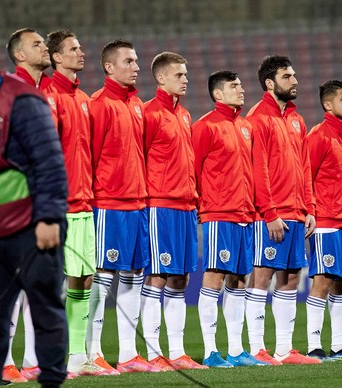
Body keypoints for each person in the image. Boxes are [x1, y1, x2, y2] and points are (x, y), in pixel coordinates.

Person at [87, 40, 158, 373]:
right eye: (129, 61)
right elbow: (89, 157)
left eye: (137, 60)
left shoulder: (137, 105)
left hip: (138, 204)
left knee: (133, 277)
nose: (137, 66)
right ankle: (92, 352)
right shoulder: (99, 105)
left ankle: (129, 355)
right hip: (109, 204)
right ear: (109, 67)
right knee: (103, 277)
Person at [43, 29, 111, 377]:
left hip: (84, 202)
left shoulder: (83, 98)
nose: (80, 53)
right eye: (73, 49)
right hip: (60, 204)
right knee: (54, 280)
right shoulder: (48, 94)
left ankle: (75, 357)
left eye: (80, 47)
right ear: (56, 57)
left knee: (83, 279)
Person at [0, 70, 69, 387]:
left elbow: (49, 160)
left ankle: (51, 380)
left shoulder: (21, 97)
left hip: (28, 226)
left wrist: (49, 217)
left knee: (45, 307)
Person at [245, 55, 318, 365]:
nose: (295, 81)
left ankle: (284, 350)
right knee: (262, 277)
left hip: (296, 212)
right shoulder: (258, 118)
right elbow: (257, 169)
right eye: (288, 76)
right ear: (270, 83)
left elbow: (304, 166)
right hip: (271, 214)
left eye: (295, 75)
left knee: (289, 279)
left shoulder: (296, 120)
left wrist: (309, 207)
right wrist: (269, 212)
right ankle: (256, 348)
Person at [193, 70, 267, 368]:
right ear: (218, 94)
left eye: (240, 84)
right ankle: (211, 351)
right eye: (234, 86)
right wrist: (202, 206)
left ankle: (236, 350)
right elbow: (194, 170)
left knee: (238, 281)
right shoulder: (205, 127)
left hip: (244, 214)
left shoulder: (246, 126)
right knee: (215, 277)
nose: (241, 89)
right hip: (218, 213)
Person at [140, 51, 207, 370]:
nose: (185, 79)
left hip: (185, 207)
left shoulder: (184, 115)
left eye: (186, 73)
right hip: (159, 206)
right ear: (161, 78)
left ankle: (177, 352)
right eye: (179, 75)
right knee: (156, 276)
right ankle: (154, 355)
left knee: (180, 279)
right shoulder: (148, 114)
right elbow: (137, 160)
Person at [1, 27, 52, 383]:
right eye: (37, 44)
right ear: (19, 54)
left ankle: (33, 361)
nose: (44, 47)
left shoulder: (44, 94)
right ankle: (5, 362)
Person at [305, 80, 342, 362]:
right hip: (326, 222)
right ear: (328, 105)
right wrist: (310, 211)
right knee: (323, 282)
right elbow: (307, 177)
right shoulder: (319, 136)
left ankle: (340, 346)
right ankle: (314, 345)